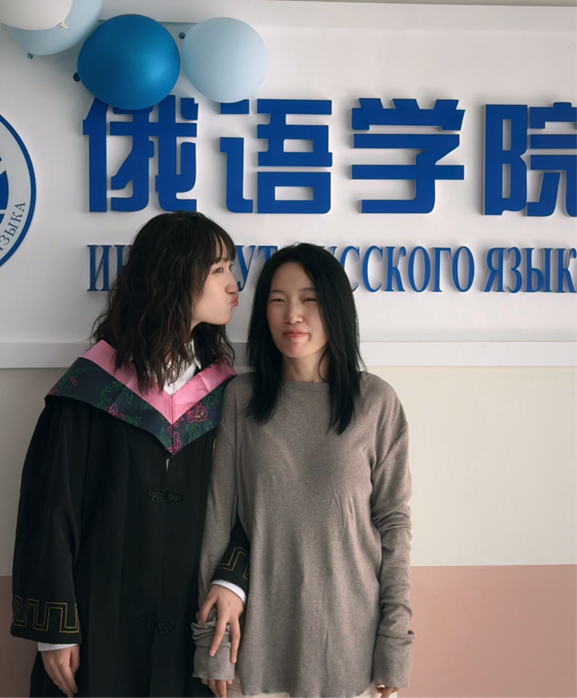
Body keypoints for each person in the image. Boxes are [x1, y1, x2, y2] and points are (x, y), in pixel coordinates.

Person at [11, 212, 250, 698]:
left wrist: (233, 581)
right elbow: (49, 508)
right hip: (97, 626)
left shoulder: (227, 395)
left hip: (190, 625)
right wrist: (55, 629)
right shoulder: (89, 389)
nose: (233, 284)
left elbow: (253, 503)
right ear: (175, 275)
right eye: (219, 269)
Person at [193, 243, 414, 698]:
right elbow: (218, 519)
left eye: (309, 299)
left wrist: (395, 644)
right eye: (278, 300)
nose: (292, 314)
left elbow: (394, 526)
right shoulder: (241, 399)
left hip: (351, 652)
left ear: (335, 307)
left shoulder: (376, 402)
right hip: (254, 653)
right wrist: (210, 642)